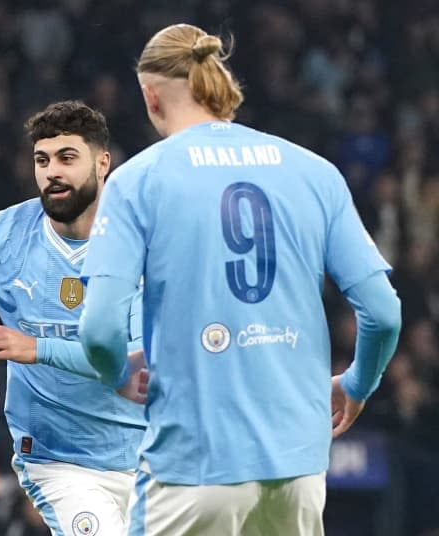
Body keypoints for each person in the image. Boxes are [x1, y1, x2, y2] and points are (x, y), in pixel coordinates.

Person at [78, 24, 401, 536]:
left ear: (150, 95)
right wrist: (358, 383)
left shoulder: (139, 180)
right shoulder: (313, 171)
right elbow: (383, 312)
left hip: (193, 465)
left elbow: (98, 330)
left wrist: (118, 373)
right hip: (298, 465)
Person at [0, 100, 146, 535]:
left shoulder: (144, 241)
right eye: (42, 160)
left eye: (67, 158)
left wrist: (36, 347)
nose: (51, 172)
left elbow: (133, 360)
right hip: (57, 460)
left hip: (149, 454)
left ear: (103, 163)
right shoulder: (2, 234)